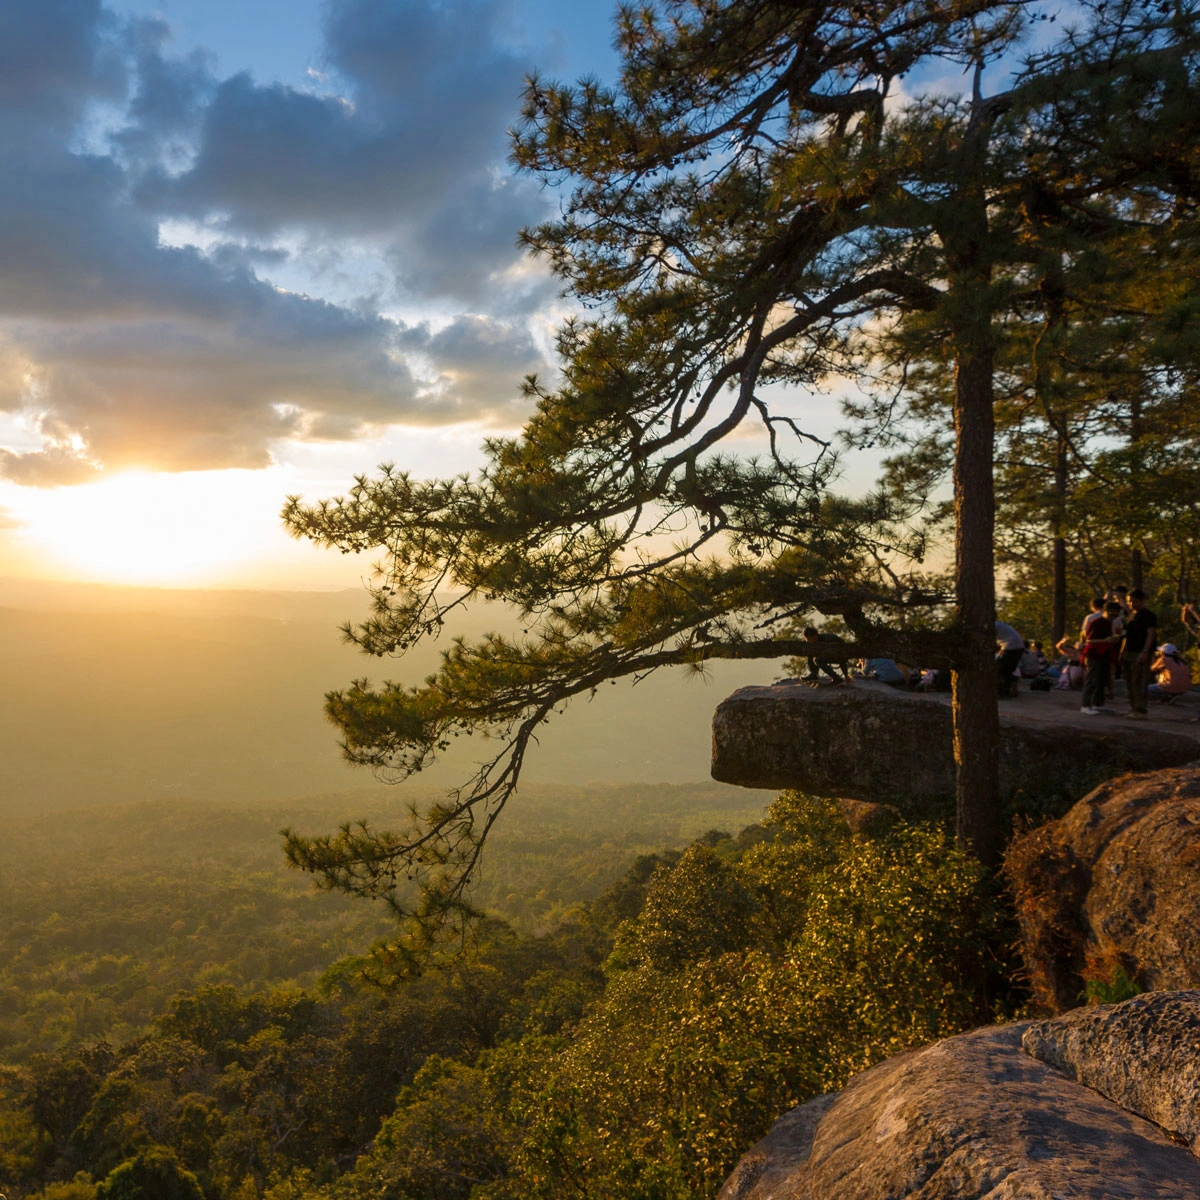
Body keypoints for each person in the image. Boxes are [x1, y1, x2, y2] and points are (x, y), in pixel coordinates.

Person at [1121, 589, 1158, 719]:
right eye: (1129, 601)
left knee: (1140, 681)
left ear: (1141, 601)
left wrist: (1145, 651)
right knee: (1130, 681)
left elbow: (1150, 634)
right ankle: (1133, 707)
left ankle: (1141, 709)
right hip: (1129, 651)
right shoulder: (1131, 616)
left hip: (1140, 652)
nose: (1131, 603)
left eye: (1134, 601)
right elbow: (1125, 636)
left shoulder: (1148, 616)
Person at [1080, 606, 1119, 715]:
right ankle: (1085, 705)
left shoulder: (1111, 624)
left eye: (1115, 615)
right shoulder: (1096, 623)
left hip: (1105, 653)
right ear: (1105, 612)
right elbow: (1088, 640)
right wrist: (1105, 640)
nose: (1113, 617)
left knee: (1103, 679)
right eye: (1111, 614)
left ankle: (1098, 703)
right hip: (1094, 653)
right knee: (1092, 679)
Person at [995, 619, 1024, 697]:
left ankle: (1004, 691)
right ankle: (1010, 688)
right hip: (1019, 647)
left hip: (1010, 647)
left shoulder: (993, 625)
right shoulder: (1001, 624)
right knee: (1008, 670)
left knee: (1000, 669)